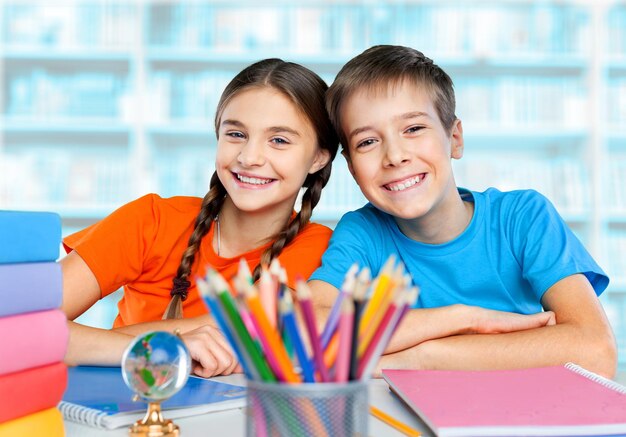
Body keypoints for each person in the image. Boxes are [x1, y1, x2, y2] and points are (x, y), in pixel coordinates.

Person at [310, 45, 617, 378]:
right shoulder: (363, 231)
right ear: (352, 168)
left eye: (413, 129)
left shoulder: (522, 217)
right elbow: (306, 330)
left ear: (454, 138)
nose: (395, 156)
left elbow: (596, 351)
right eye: (367, 142)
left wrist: (423, 358)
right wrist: (464, 318)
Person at [60, 58, 339, 377]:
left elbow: (245, 331)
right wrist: (170, 343)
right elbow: (17, 327)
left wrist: (92, 343)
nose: (249, 158)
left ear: (319, 157)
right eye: (236, 134)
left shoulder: (322, 255)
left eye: (279, 140)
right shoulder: (152, 220)